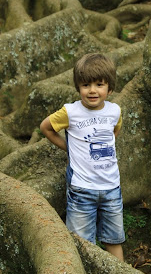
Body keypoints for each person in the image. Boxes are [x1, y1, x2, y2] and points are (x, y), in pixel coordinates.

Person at [40, 53, 125, 261]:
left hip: (111, 188)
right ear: (78, 87)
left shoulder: (114, 111)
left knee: (114, 239)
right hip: (82, 189)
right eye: (86, 85)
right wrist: (68, 147)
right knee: (82, 243)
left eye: (99, 84)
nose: (92, 90)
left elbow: (114, 132)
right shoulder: (71, 112)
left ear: (109, 89)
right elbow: (46, 127)